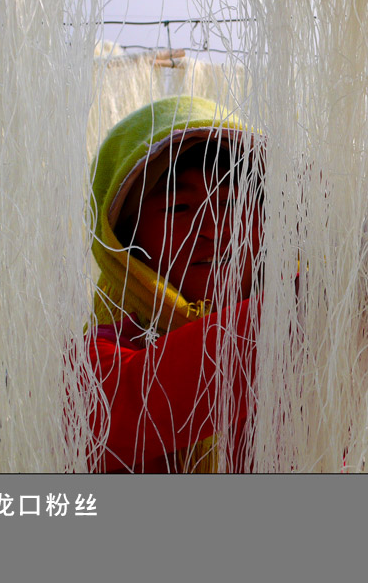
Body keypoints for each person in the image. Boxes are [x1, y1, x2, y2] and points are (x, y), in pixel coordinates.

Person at [87, 96, 263, 473]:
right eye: (179, 208)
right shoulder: (93, 362)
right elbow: (145, 398)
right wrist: (315, 302)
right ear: (124, 243)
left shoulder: (326, 347)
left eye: (234, 202)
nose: (216, 231)